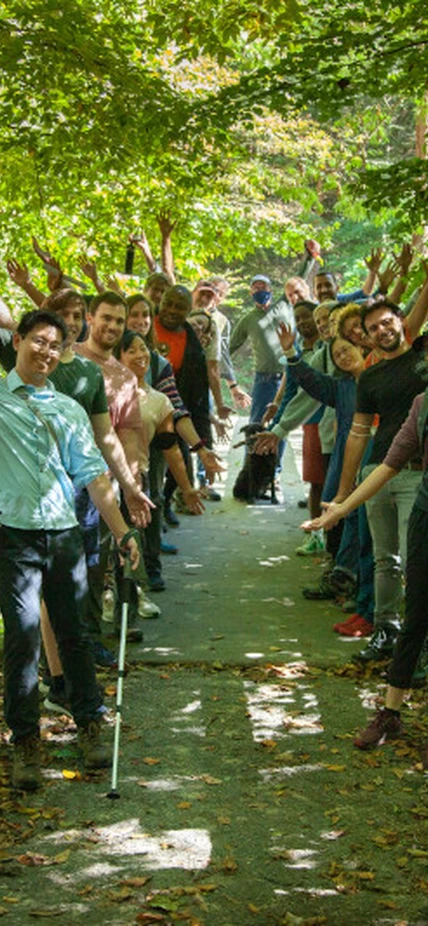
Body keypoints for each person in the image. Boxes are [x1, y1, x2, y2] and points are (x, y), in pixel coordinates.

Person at [0, 309, 140, 791]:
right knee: (22, 638)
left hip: (63, 533)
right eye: (37, 341)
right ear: (17, 341)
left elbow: (94, 477)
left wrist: (122, 532)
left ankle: (90, 722)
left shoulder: (69, 410)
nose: (45, 351)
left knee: (75, 634)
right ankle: (25, 741)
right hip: (12, 535)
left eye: (55, 345)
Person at [301, 350, 428, 764]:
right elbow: (388, 465)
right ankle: (390, 713)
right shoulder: (422, 405)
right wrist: (341, 507)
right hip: (426, 514)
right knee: (416, 616)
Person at [321, 299, 428, 662]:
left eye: (386, 322)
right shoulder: (370, 377)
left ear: (400, 321)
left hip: (415, 473)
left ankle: (417, 641)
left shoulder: (422, 359)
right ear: (367, 338)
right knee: (385, 560)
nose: (382, 331)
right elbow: (358, 433)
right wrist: (342, 493)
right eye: (373, 329)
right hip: (377, 473)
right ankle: (386, 630)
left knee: (415, 560)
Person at [230, 274, 293, 426]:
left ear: (270, 290)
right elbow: (229, 348)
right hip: (264, 379)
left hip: (288, 376)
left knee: (281, 423)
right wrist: (229, 380)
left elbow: (299, 278)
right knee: (256, 423)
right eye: (256, 288)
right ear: (251, 293)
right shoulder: (248, 319)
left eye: (263, 287)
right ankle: (253, 443)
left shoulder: (283, 307)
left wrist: (310, 258)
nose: (260, 291)